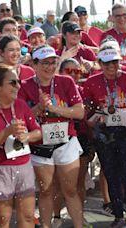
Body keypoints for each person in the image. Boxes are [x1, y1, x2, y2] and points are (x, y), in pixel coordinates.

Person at [18, 45, 85, 228]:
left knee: (70, 190)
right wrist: (39, 107)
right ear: (34, 64)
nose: (50, 66)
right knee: (46, 191)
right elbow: (21, 118)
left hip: (66, 142)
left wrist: (54, 109)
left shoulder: (66, 82)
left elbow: (79, 112)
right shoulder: (25, 86)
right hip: (40, 145)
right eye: (45, 63)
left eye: (53, 62)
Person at [83, 40, 126, 228]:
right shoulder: (92, 82)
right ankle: (119, 216)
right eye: (106, 63)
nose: (111, 67)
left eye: (114, 62)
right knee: (112, 175)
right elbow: (87, 112)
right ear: (99, 63)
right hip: (104, 135)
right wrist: (96, 118)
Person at [0, 66, 42, 228]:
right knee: (3, 220)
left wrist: (27, 136)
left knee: (27, 217)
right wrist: (6, 133)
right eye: (12, 83)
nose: (18, 86)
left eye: (18, 82)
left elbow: (38, 132)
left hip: (24, 166)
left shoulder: (20, 105)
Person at [51, 58, 94, 228]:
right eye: (70, 71)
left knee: (79, 183)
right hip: (54, 137)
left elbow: (89, 116)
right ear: (60, 72)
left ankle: (79, 217)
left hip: (81, 137)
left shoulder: (83, 91)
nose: (75, 75)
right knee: (55, 183)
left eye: (78, 72)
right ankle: (56, 217)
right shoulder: (51, 90)